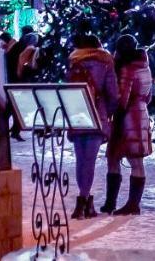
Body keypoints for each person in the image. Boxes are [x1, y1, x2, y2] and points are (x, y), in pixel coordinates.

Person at [66, 32, 119, 220]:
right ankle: (83, 201)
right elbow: (113, 94)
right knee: (90, 160)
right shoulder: (105, 62)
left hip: (77, 114)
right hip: (97, 114)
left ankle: (85, 200)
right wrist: (108, 112)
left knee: (81, 160)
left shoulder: (74, 61)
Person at [103, 35, 152, 216]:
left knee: (119, 158)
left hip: (127, 119)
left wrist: (111, 113)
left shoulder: (127, 69)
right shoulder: (144, 66)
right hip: (141, 114)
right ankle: (129, 203)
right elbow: (149, 95)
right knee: (132, 160)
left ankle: (119, 203)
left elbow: (122, 99)